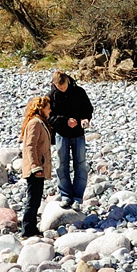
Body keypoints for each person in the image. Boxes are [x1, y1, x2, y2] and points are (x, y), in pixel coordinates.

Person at [48, 70, 94, 209]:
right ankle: (66, 195)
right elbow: (49, 117)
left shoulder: (79, 92)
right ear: (54, 84)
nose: (63, 89)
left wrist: (85, 119)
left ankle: (78, 197)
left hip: (78, 134)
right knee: (61, 165)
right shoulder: (51, 96)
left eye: (65, 86)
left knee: (80, 165)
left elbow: (88, 109)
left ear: (68, 80)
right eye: (60, 87)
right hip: (61, 135)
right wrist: (65, 121)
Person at [20, 95, 53, 237]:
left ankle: (31, 228)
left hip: (39, 167)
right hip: (35, 169)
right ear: (41, 108)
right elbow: (30, 146)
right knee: (32, 200)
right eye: (48, 107)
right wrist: (35, 167)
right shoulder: (35, 123)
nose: (50, 110)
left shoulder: (40, 122)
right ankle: (27, 230)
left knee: (36, 199)